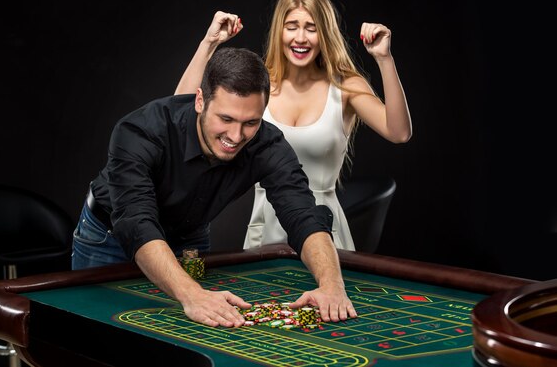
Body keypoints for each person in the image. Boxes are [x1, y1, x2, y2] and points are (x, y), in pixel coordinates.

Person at [72, 47, 357, 328]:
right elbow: (136, 223)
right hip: (109, 238)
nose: (236, 136)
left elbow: (302, 214)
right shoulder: (140, 131)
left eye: (250, 122)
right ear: (200, 101)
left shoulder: (267, 144)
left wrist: (332, 284)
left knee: (186, 335)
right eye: (226, 119)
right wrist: (193, 295)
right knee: (97, 336)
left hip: (188, 239)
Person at [174, 0, 412, 251]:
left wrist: (384, 59)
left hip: (325, 235)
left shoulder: (345, 86)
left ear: (325, 33)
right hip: (265, 233)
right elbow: (179, 111)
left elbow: (399, 132)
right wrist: (209, 43)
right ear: (280, 31)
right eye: (291, 27)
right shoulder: (259, 84)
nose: (300, 38)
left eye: (311, 28)